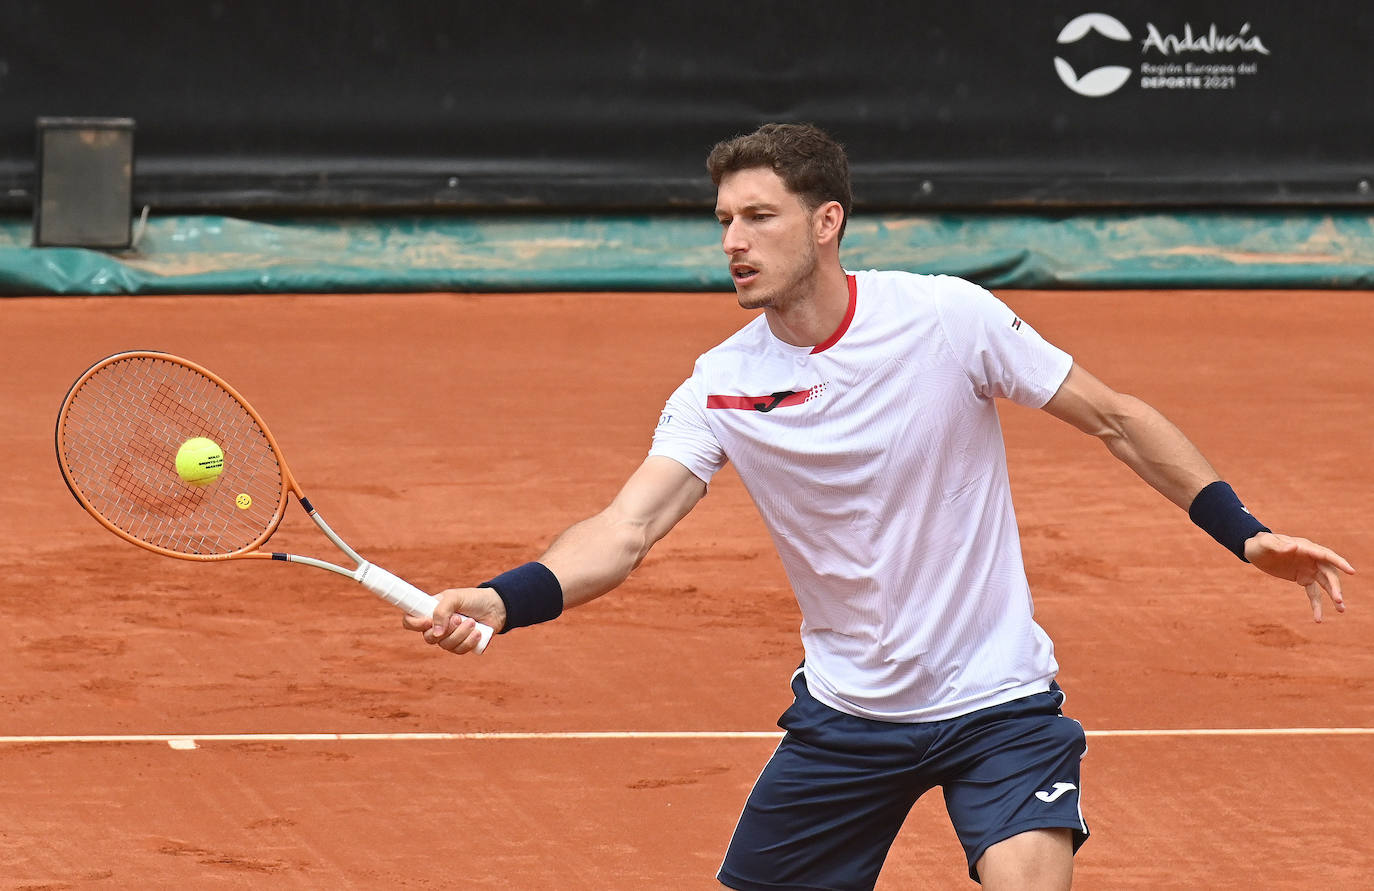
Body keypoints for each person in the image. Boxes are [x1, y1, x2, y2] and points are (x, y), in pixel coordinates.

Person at [406, 123, 1354, 890]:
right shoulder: (719, 385)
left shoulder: (946, 318)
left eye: (759, 216)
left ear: (826, 222)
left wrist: (1245, 531)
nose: (733, 242)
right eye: (724, 219)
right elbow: (626, 529)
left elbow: (1115, 419)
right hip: (849, 714)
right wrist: (503, 596)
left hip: (999, 704)